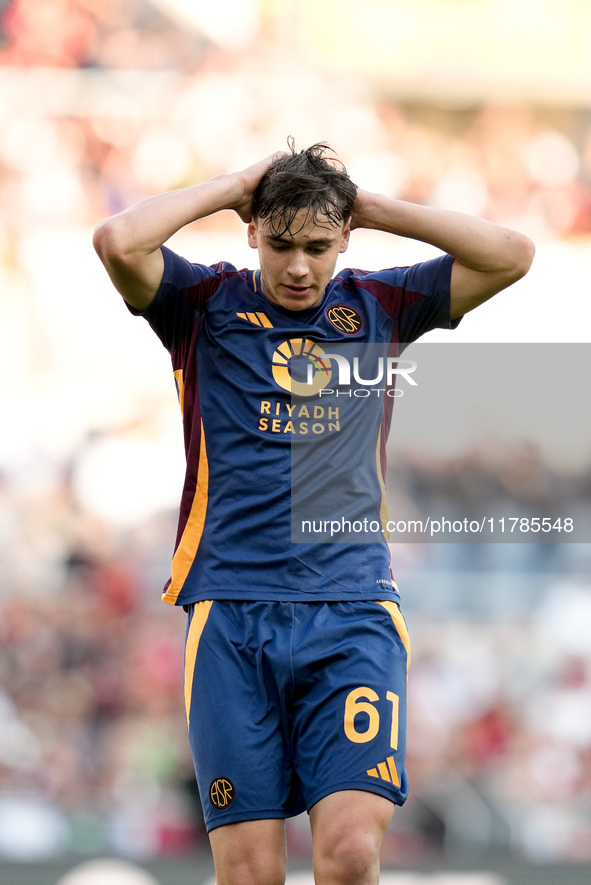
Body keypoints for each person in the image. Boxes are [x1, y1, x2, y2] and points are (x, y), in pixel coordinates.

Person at [93, 142, 534, 885]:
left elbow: (511, 254)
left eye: (319, 245)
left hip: (351, 610)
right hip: (230, 614)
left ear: (345, 238)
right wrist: (234, 185)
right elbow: (117, 240)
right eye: (282, 243)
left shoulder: (380, 305)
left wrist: (375, 207)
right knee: (250, 875)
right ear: (252, 232)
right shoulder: (200, 305)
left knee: (351, 854)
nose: (299, 266)